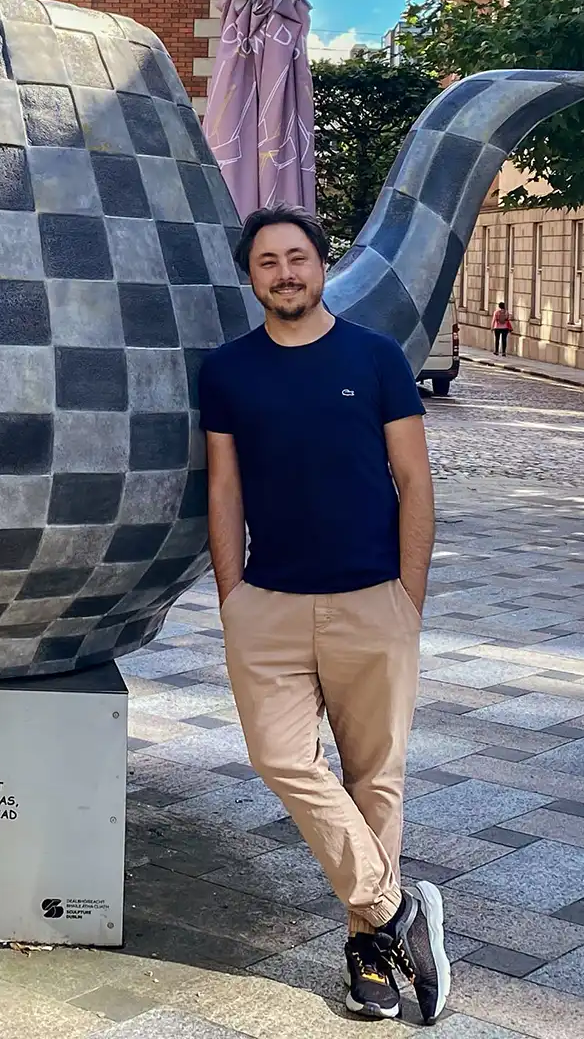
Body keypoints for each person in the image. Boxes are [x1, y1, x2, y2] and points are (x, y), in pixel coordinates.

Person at [199, 204, 448, 1024]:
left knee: (375, 776)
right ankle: (397, 910)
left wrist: (407, 598)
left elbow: (414, 480)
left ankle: (368, 954)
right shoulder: (228, 371)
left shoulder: (375, 359)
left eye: (297, 257)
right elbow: (224, 485)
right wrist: (231, 595)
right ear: (251, 276)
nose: (284, 273)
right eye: (267, 261)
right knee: (279, 757)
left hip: (372, 599)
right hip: (266, 604)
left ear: (321, 264)